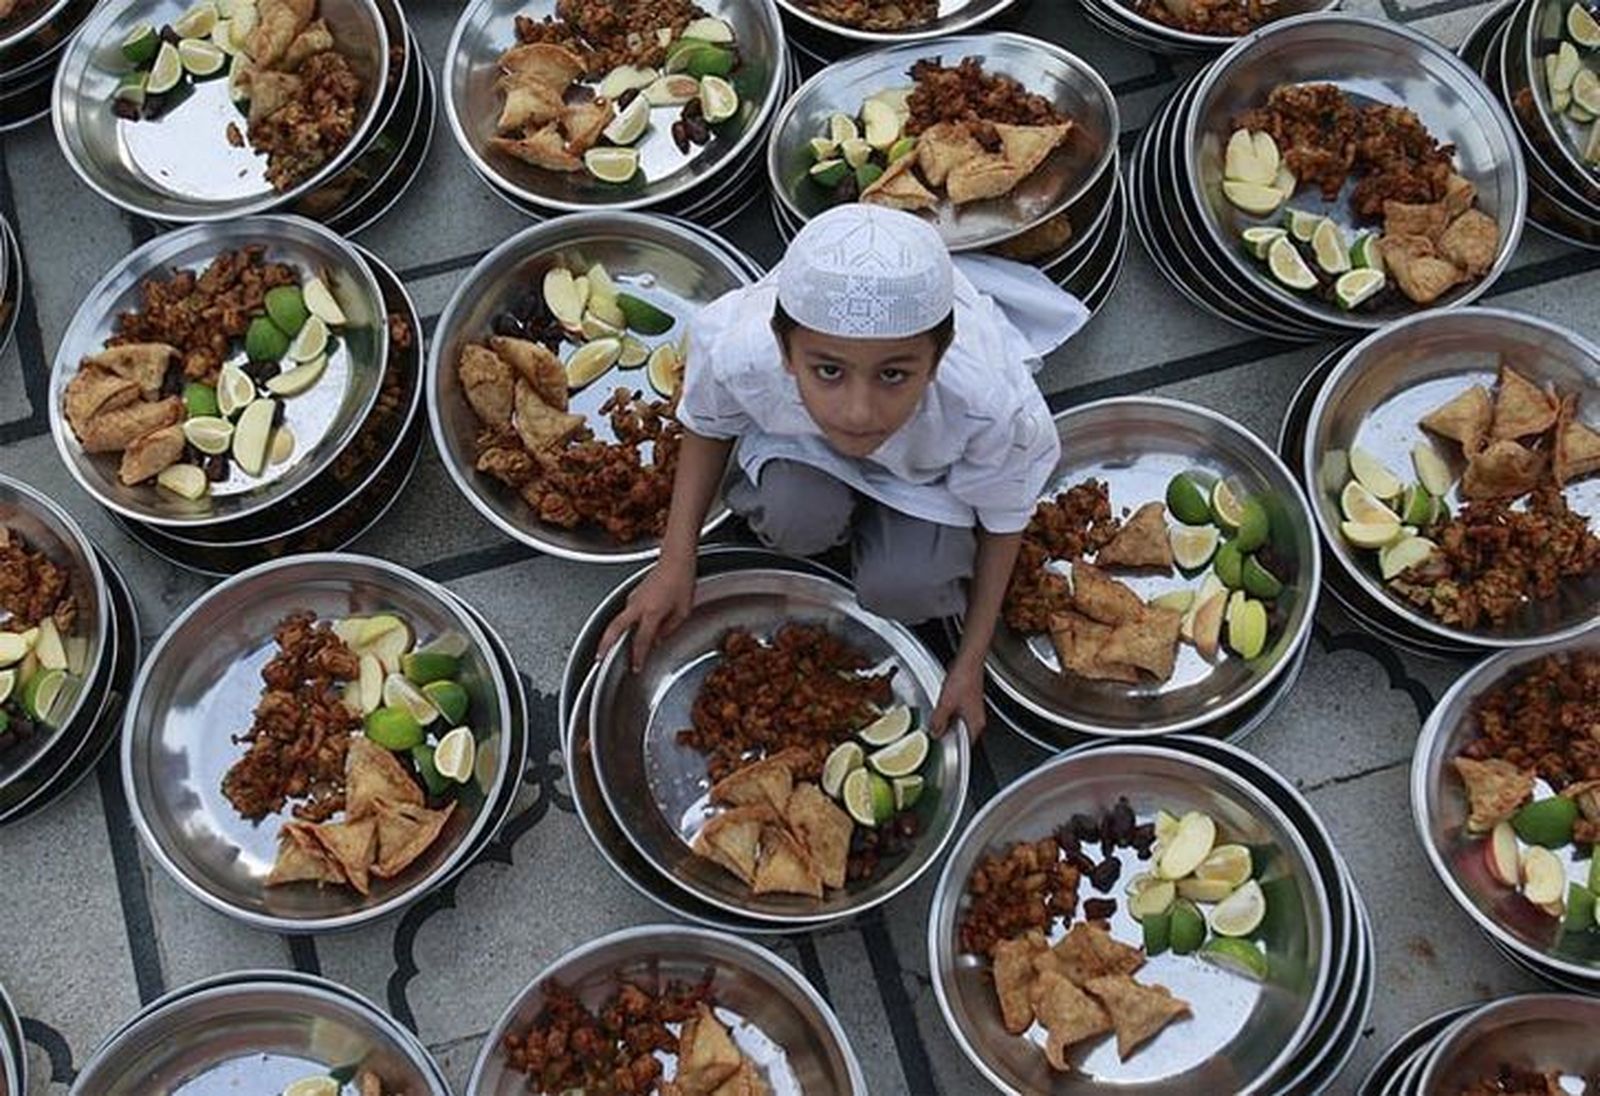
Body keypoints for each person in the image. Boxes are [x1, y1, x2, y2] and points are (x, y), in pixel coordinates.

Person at [599, 204, 1086, 738]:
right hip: (803, 442)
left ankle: (889, 545)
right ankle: (833, 513)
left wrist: (969, 663)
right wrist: (675, 560)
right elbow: (708, 423)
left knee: (908, 591)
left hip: (928, 476)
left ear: (939, 356)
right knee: (792, 520)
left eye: (894, 374)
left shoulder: (987, 404)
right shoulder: (745, 353)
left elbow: (1003, 518)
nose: (859, 412)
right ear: (786, 352)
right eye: (828, 370)